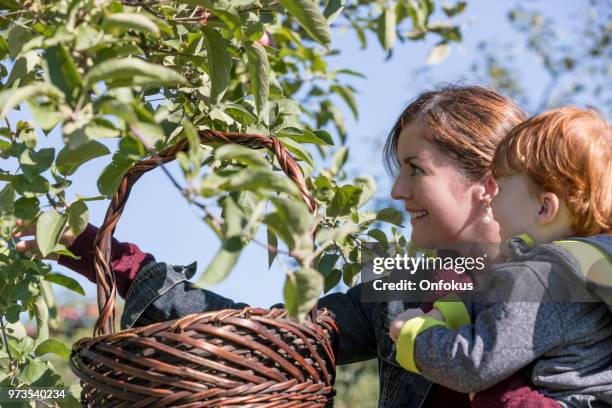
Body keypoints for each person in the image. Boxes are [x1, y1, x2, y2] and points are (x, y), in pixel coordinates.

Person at [16, 85, 540, 407]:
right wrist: (91, 250)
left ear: (487, 181)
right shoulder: (402, 288)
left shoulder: (566, 278)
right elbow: (268, 338)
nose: (398, 191)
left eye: (415, 170)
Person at [389, 107, 612, 407]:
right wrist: (455, 310)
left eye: (503, 188)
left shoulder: (543, 276)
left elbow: (476, 364)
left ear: (544, 208)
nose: (492, 201)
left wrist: (415, 339)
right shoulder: (593, 264)